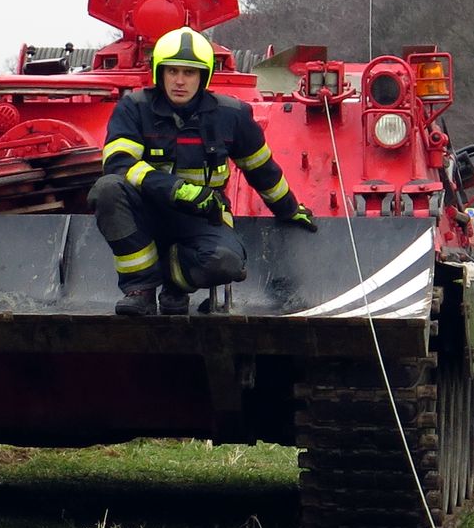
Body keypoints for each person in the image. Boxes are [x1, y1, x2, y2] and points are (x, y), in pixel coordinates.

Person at [89, 27, 316, 316]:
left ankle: (175, 283)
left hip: (203, 217)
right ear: (160, 74)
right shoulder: (133, 109)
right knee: (107, 189)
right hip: (145, 213)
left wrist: (288, 208)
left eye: (190, 72)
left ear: (204, 76)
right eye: (172, 72)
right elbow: (119, 164)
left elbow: (261, 169)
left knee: (226, 263)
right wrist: (176, 190)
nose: (180, 81)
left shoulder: (232, 116)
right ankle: (141, 290)